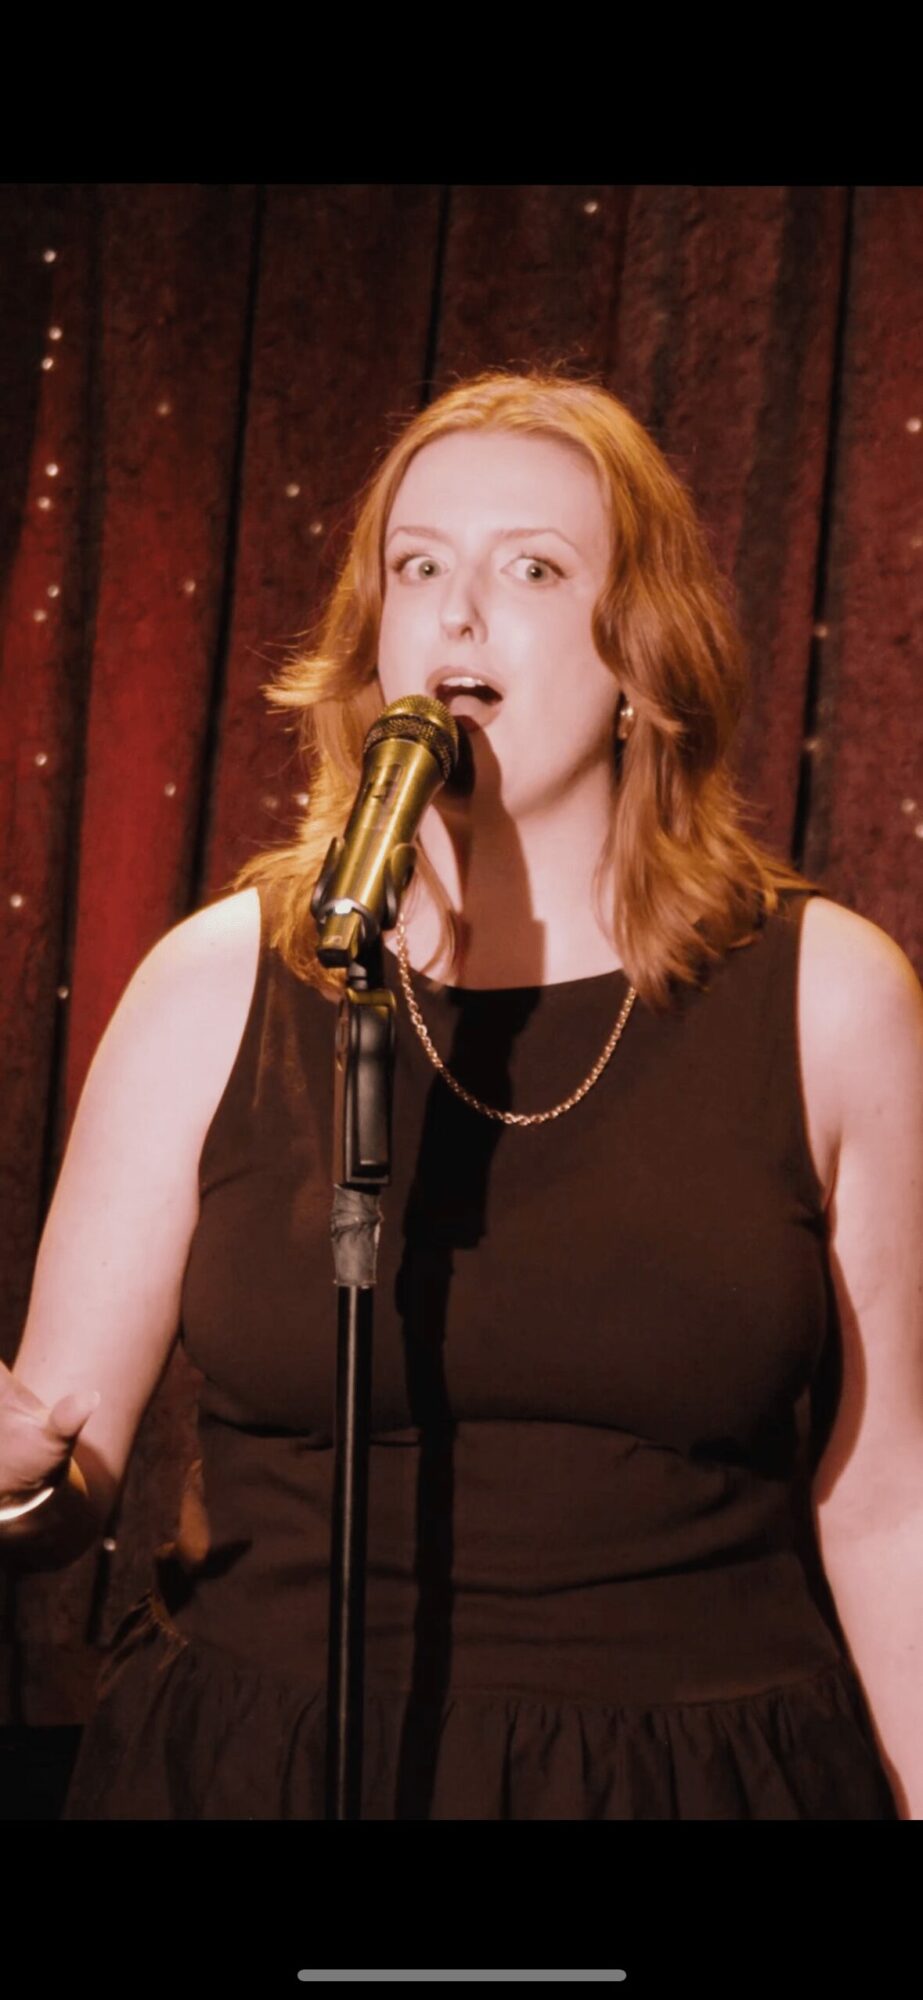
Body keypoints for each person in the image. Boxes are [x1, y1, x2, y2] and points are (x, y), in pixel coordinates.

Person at [0, 367, 915, 1819]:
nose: (457, 612)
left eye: (532, 568)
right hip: (268, 1765)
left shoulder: (827, 993)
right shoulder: (218, 978)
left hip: (683, 1776)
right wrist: (11, 1475)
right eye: (418, 567)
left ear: (643, 658)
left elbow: (887, 1500)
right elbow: (60, 1471)